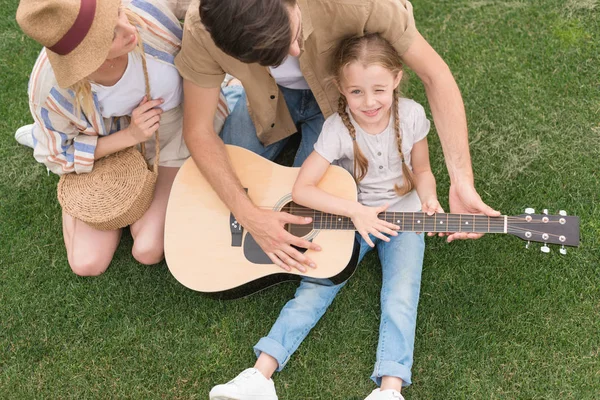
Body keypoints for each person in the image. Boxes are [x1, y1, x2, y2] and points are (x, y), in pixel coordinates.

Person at [174, 0, 500, 274]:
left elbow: (435, 74)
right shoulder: (201, 26)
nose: (294, 50)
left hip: (335, 105)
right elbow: (198, 131)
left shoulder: (358, 3)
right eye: (272, 54)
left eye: (293, 33)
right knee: (213, 194)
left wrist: (461, 180)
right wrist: (249, 217)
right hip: (264, 102)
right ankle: (233, 93)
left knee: (305, 218)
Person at [210, 33, 441, 400]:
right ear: (340, 88)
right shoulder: (337, 128)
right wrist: (356, 212)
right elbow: (303, 190)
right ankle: (259, 375)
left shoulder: (411, 116)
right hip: (348, 220)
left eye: (379, 90)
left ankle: (390, 389)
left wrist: (429, 199)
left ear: (397, 79)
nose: (369, 103)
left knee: (400, 294)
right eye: (357, 92)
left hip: (405, 218)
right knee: (313, 289)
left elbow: (423, 171)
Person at [15, 0, 227, 276]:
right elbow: (56, 156)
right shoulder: (51, 90)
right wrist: (130, 135)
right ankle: (46, 139)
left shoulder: (142, 13)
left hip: (174, 134)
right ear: (84, 58)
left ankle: (60, 145)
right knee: (86, 263)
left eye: (116, 13)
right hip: (111, 145)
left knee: (148, 249)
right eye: (110, 35)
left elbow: (205, 7)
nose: (129, 30)